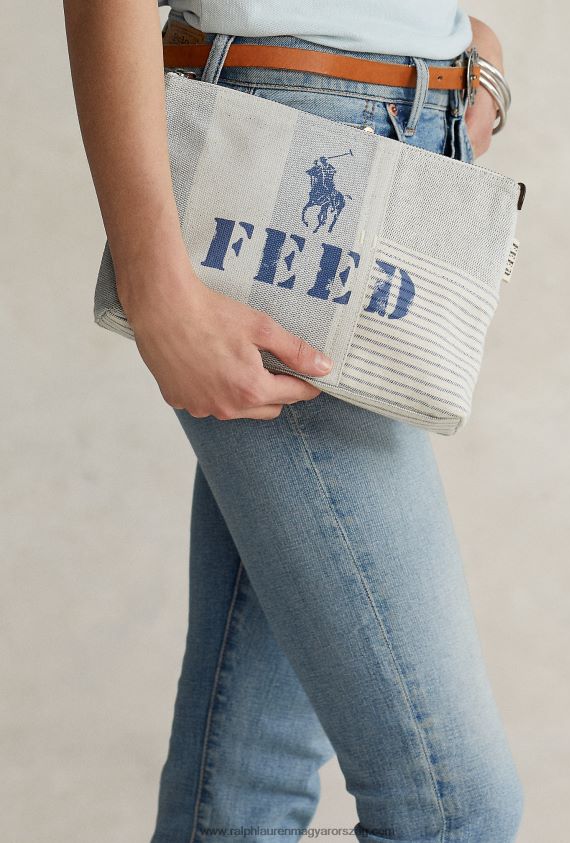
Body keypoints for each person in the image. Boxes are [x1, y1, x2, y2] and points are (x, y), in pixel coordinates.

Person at [62, 2, 524, 840]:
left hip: (415, 130)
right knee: (450, 807)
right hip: (272, 138)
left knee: (248, 787)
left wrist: (460, 47)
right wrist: (153, 280)